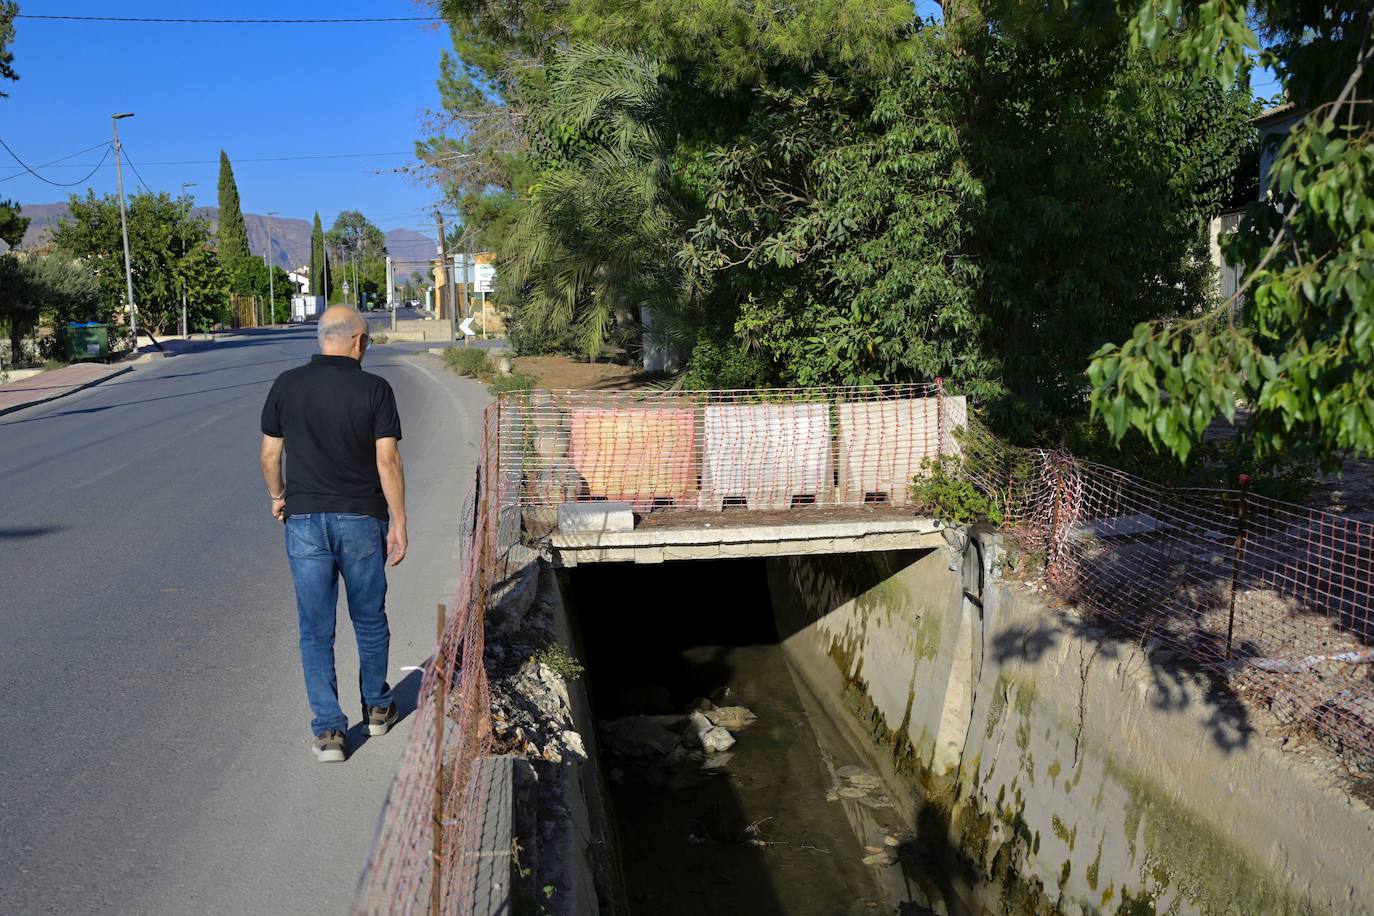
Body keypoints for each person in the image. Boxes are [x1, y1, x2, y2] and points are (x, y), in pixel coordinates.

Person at [259, 306, 408, 762]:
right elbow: (387, 461)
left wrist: (278, 496)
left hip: (304, 522)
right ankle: (378, 709)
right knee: (369, 619)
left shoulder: (287, 385)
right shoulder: (375, 389)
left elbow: (269, 455)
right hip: (362, 520)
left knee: (315, 629)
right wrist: (400, 521)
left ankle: (329, 733)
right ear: (358, 341)